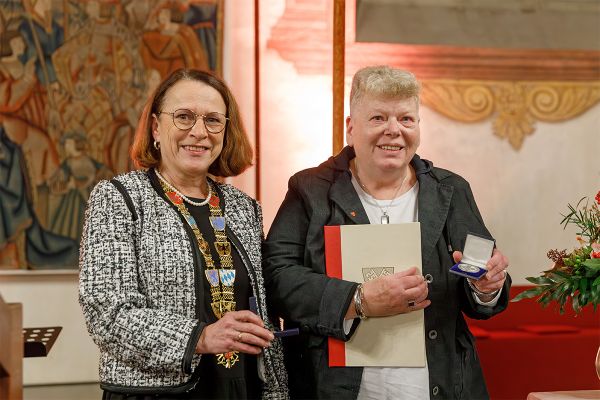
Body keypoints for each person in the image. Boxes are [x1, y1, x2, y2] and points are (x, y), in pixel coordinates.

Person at [262, 65, 510, 400]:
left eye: (406, 119)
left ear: (418, 127)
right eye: (378, 118)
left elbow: (483, 287)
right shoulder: (310, 190)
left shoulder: (450, 190)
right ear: (351, 128)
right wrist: (358, 299)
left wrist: (485, 286)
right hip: (336, 388)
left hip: (439, 386)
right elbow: (278, 279)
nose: (393, 130)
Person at [79, 69, 288, 399]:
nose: (199, 132)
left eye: (213, 120)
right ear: (156, 128)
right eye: (184, 117)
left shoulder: (244, 207)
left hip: (241, 386)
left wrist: (276, 391)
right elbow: (108, 315)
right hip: (156, 393)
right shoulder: (119, 198)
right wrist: (201, 338)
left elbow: (264, 310)